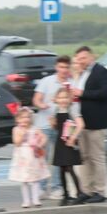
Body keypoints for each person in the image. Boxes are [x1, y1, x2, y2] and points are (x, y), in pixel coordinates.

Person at [70, 46, 107, 203]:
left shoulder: (101, 71)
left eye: (83, 58)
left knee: (97, 157)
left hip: (97, 122)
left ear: (91, 57)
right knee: (85, 158)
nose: (81, 61)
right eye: (78, 59)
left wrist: (82, 94)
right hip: (82, 123)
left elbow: (104, 92)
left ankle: (100, 191)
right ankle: (87, 190)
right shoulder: (80, 74)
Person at [32, 55, 74, 200]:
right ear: (56, 67)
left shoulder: (71, 83)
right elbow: (36, 99)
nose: (64, 70)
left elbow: (74, 103)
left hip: (62, 126)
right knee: (42, 157)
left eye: (66, 67)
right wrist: (42, 105)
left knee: (58, 158)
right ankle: (41, 188)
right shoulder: (47, 81)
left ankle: (57, 187)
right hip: (44, 124)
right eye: (61, 67)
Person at [8, 108, 50, 208]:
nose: (25, 119)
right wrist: (22, 135)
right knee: (24, 180)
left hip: (34, 156)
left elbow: (44, 137)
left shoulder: (35, 128)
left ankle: (36, 199)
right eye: (22, 117)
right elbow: (16, 143)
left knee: (35, 179)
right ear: (17, 119)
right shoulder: (16, 129)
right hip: (22, 157)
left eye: (27, 117)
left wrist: (40, 144)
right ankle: (26, 201)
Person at [50, 87, 84, 206]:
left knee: (69, 168)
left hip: (69, 141)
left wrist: (73, 137)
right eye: (60, 97)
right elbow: (56, 127)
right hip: (60, 142)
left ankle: (80, 193)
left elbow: (80, 124)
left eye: (65, 97)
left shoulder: (72, 109)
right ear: (56, 99)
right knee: (61, 169)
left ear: (69, 98)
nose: (63, 100)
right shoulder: (56, 110)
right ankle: (66, 194)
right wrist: (53, 123)